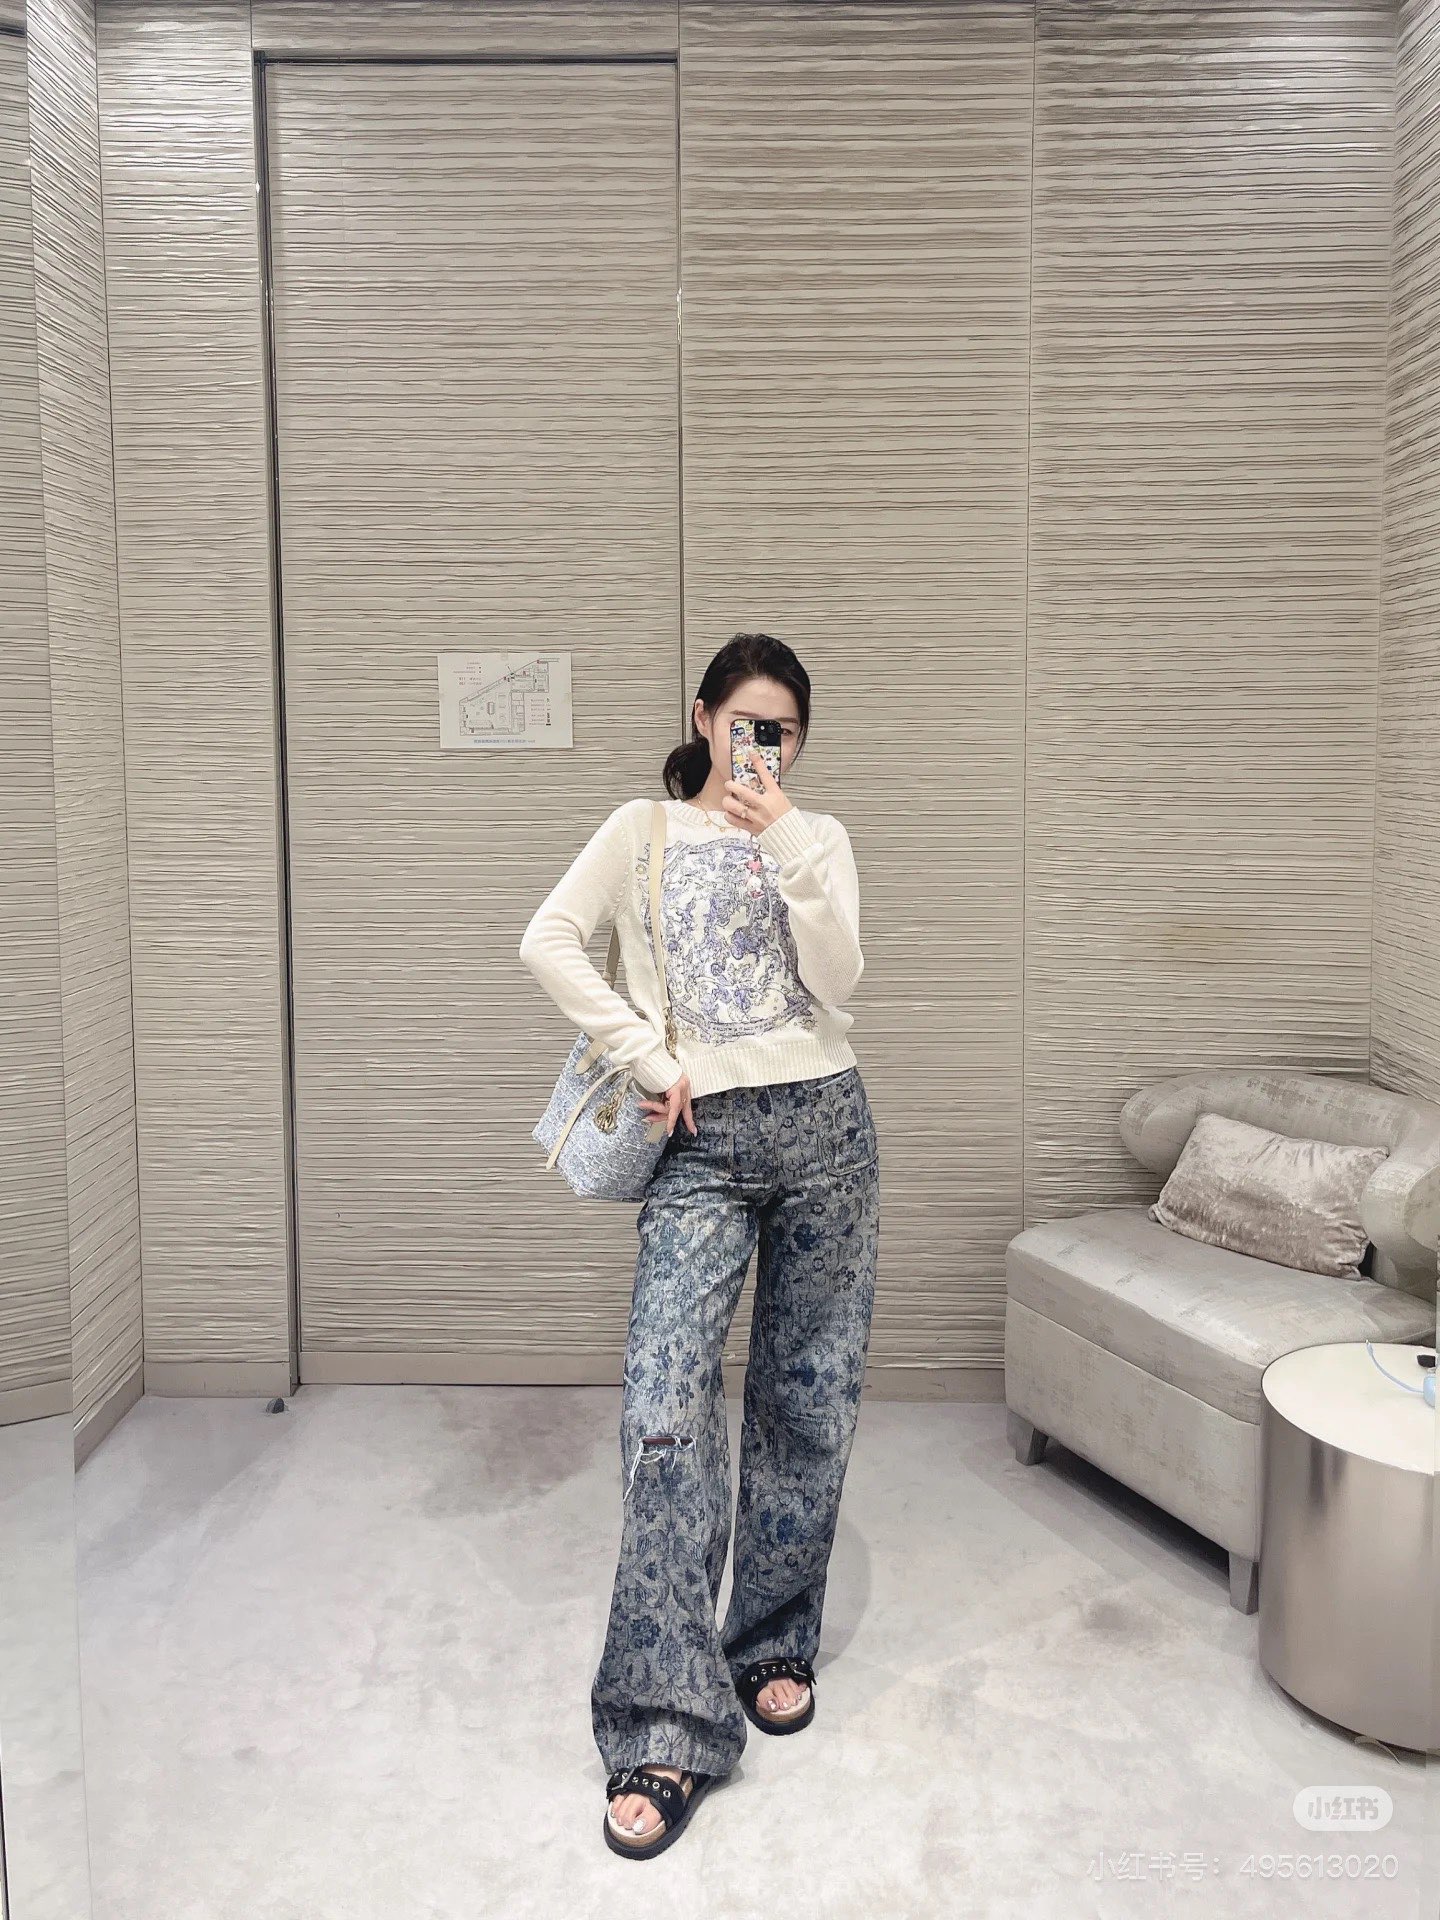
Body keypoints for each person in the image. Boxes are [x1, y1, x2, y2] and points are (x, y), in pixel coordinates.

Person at [518, 631, 880, 1861]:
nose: (761, 746)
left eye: (783, 731)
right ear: (704, 717)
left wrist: (786, 840)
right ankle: (667, 1721)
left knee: (807, 1400)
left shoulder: (817, 838)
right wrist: (644, 1055)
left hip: (828, 1130)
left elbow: (839, 984)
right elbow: (547, 939)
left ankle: (771, 1640)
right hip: (702, 1148)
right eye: (744, 724)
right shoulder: (642, 831)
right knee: (666, 1411)